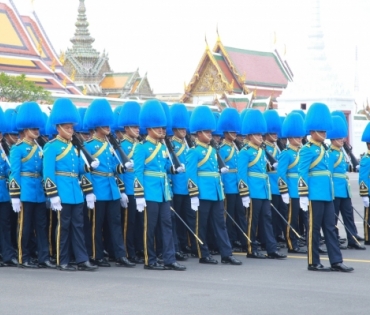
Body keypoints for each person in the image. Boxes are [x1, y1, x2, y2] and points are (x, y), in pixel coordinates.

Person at [43, 99, 98, 271]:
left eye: (72, 127)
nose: (71, 130)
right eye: (67, 127)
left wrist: (88, 166)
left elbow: (77, 169)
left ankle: (82, 259)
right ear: (58, 127)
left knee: (78, 227)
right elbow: (48, 173)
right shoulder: (51, 146)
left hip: (75, 191)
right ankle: (62, 259)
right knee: (63, 227)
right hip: (62, 191)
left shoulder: (74, 147)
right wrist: (53, 194)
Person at [298, 102, 353, 272]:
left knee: (331, 227)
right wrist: (303, 195)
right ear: (312, 131)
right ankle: (313, 262)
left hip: (328, 194)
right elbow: (302, 172)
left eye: (324, 131)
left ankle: (336, 260)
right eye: (321, 131)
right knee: (314, 229)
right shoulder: (307, 150)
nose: (324, 134)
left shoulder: (326, 150)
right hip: (314, 194)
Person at [133, 99, 186, 271]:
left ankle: (169, 258)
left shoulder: (162, 147)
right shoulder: (141, 148)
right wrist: (139, 195)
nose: (162, 131)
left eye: (163, 128)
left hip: (164, 191)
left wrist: (174, 169)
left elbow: (164, 169)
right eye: (158, 128)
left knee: (167, 224)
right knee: (150, 227)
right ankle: (150, 259)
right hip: (149, 192)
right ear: (149, 128)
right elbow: (138, 172)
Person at [186, 105, 242, 265]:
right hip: (202, 192)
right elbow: (190, 175)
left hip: (216, 192)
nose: (210, 134)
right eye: (207, 131)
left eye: (211, 131)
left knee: (220, 224)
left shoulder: (212, 150)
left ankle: (226, 253)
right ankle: (203, 253)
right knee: (201, 225)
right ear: (199, 133)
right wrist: (194, 194)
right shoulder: (194, 151)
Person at [84, 99, 135, 268]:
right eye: (104, 124)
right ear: (96, 125)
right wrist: (89, 191)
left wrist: (122, 168)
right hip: (98, 188)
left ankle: (120, 254)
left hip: (112, 188)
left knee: (115, 223)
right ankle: (96, 254)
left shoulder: (110, 145)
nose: (108, 127)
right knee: (96, 225)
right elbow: (86, 171)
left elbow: (113, 168)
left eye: (108, 124)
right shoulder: (88, 145)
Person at [8, 102, 54, 269]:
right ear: (25, 129)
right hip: (25, 192)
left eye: (37, 128)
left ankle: (43, 257)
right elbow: (14, 173)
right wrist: (15, 196)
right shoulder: (17, 149)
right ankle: (23, 257)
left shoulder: (40, 148)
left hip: (39, 192)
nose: (37, 131)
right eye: (33, 129)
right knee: (25, 227)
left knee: (41, 227)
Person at [237, 109, 286, 260]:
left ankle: (271, 248)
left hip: (264, 190)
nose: (260, 137)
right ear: (250, 135)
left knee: (267, 218)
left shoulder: (262, 151)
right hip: (252, 191)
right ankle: (251, 248)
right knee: (252, 221)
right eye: (258, 135)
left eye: (261, 134)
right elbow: (241, 174)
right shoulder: (245, 152)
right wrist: (244, 193)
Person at [327, 115, 365, 250]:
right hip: (335, 189)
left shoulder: (341, 152)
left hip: (344, 188)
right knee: (334, 217)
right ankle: (334, 239)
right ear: (332, 139)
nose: (342, 140)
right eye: (339, 138)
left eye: (342, 137)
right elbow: (329, 173)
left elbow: (343, 168)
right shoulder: (330, 153)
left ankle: (352, 239)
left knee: (348, 215)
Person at [117, 101, 144, 264]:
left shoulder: (139, 145)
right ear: (126, 128)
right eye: (134, 127)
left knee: (140, 222)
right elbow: (118, 170)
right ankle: (128, 251)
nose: (137, 129)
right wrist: (122, 190)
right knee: (129, 223)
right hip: (128, 187)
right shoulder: (121, 146)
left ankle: (139, 250)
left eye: (138, 127)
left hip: (139, 188)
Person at [218, 108, 247, 251]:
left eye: (235, 131)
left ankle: (242, 239)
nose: (235, 133)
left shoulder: (236, 147)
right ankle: (230, 239)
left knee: (240, 213)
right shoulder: (222, 148)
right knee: (229, 216)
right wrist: (222, 186)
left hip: (237, 184)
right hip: (228, 185)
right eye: (232, 131)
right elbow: (222, 170)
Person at [278, 113, 307, 254]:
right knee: (292, 219)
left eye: (300, 136)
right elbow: (281, 174)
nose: (300, 139)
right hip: (292, 190)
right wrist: (284, 191)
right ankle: (291, 243)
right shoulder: (286, 153)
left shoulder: (302, 152)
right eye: (296, 136)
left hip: (302, 190)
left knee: (305, 218)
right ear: (289, 138)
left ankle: (303, 241)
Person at [0, 107, 17, 267]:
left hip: (3, 192)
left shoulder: (3, 151)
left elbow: (7, 169)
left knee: (5, 224)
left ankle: (7, 254)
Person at [358, 122, 370, 246]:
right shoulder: (367, 159)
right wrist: (364, 194)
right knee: (368, 216)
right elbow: (362, 178)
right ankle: (368, 237)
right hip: (369, 190)